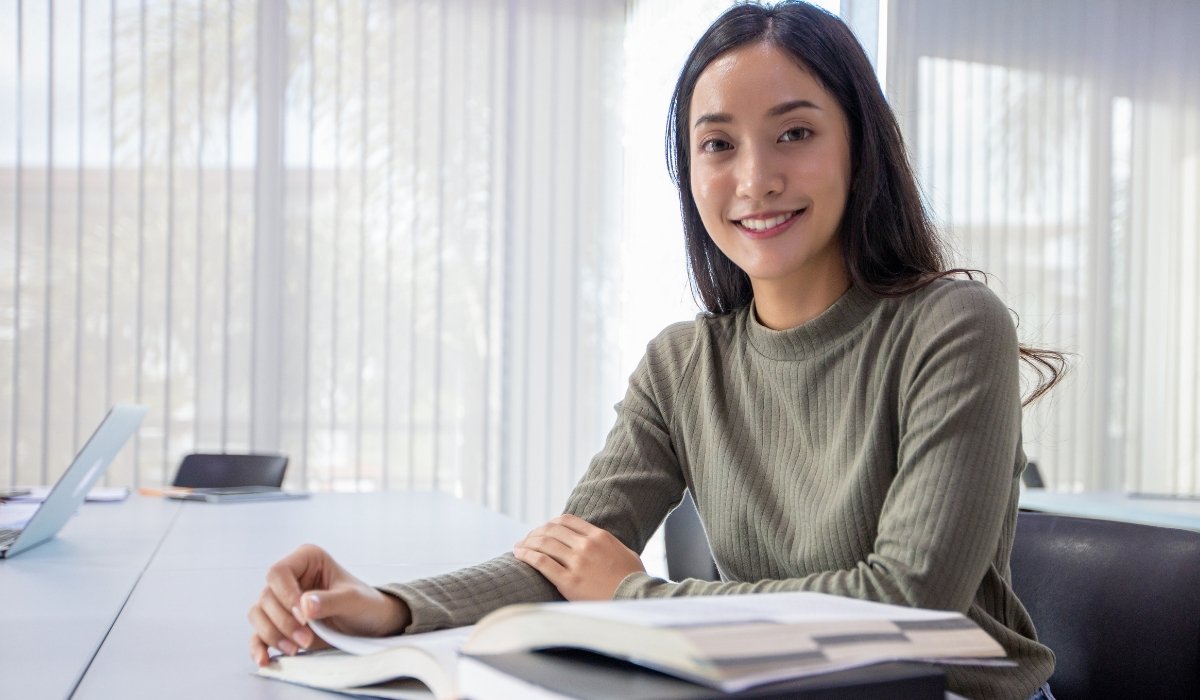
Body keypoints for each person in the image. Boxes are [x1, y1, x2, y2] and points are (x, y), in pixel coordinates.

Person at [248, 3, 1064, 698]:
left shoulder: (953, 326)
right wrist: (383, 605)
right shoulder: (682, 365)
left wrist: (638, 595)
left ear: (860, 148)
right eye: (718, 145)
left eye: (795, 133)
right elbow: (564, 560)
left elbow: (909, 600)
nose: (755, 178)